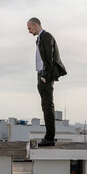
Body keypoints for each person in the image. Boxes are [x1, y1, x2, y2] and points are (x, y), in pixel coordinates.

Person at [27, 17, 67, 147]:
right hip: (42, 74)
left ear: (35, 25)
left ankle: (49, 138)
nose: (29, 31)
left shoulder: (46, 36)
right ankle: (49, 136)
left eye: (29, 28)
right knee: (45, 106)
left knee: (47, 106)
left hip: (45, 75)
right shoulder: (39, 38)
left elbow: (49, 57)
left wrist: (45, 75)